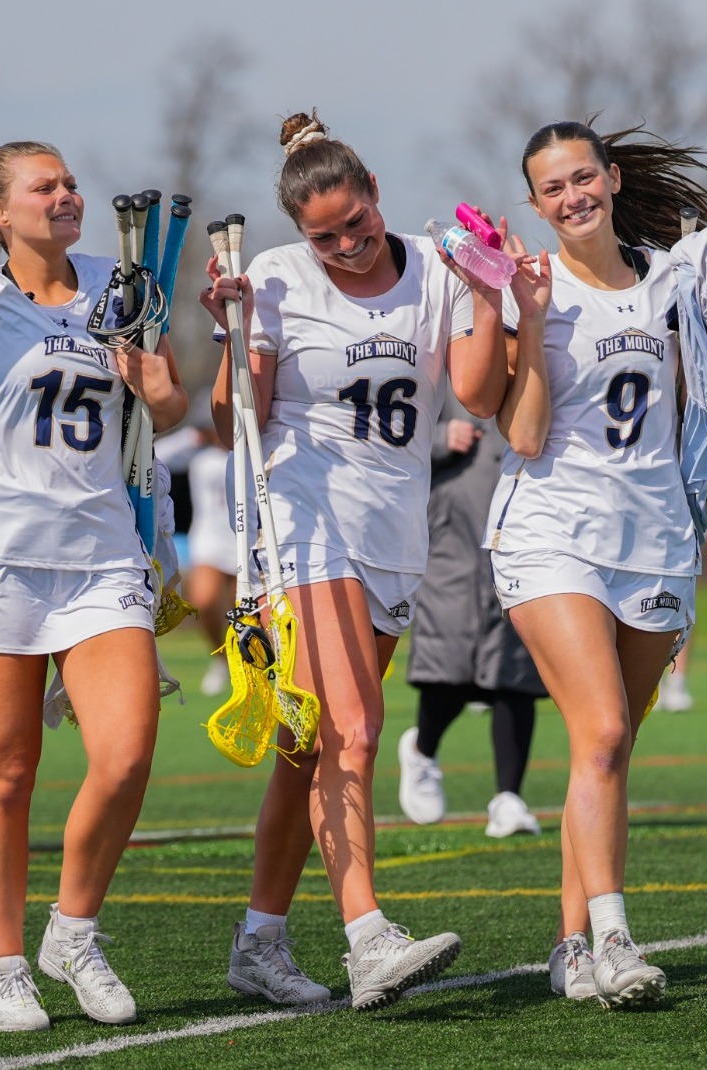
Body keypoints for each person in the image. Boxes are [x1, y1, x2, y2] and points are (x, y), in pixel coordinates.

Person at [0, 37, 188, 1032]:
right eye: (43, 187)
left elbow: (170, 407)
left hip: (101, 550)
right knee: (7, 770)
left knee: (126, 750)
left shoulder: (120, 278)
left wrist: (156, 383)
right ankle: (4, 964)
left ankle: (74, 928)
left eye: (69, 184)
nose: (65, 197)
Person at [199, 109, 508, 1013]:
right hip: (302, 518)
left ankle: (259, 942)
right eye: (324, 236)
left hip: (391, 532)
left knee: (307, 748)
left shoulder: (434, 272)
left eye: (356, 226)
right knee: (354, 730)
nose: (344, 247)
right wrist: (234, 336)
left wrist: (488, 294)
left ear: (376, 194)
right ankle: (368, 933)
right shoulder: (276, 276)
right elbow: (234, 424)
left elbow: (479, 395)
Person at [489, 120, 707, 1008]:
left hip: (657, 536)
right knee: (596, 734)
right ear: (534, 202)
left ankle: (568, 944)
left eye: (582, 178)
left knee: (607, 752)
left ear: (612, 176)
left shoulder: (672, 277)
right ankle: (616, 939)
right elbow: (520, 435)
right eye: (552, 188)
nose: (571, 197)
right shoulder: (536, 286)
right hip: (552, 531)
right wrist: (525, 315)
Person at [397, 396, 546, 837]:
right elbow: (387, 433)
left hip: (523, 528)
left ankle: (509, 798)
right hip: (453, 535)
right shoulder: (437, 344)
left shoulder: (540, 343)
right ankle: (422, 751)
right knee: (452, 671)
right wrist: (443, 438)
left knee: (513, 672)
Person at [180, 411, 238, 696]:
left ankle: (250, 670)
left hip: (246, 543)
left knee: (251, 616)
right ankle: (221, 659)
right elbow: (157, 454)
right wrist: (192, 435)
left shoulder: (255, 452)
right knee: (203, 600)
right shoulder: (200, 458)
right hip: (209, 543)